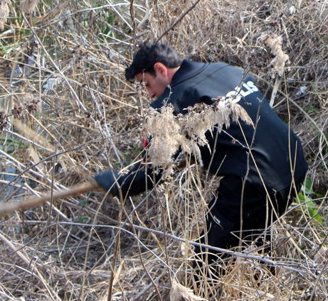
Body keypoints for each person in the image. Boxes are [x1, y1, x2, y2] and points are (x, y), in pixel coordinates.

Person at [94, 42, 308, 280]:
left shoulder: (172, 102)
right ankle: (268, 290)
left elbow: (154, 170)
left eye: (147, 83)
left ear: (161, 70)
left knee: (207, 256)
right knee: (251, 228)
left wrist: (118, 183)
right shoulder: (224, 69)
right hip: (295, 164)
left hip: (255, 182)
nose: (149, 93)